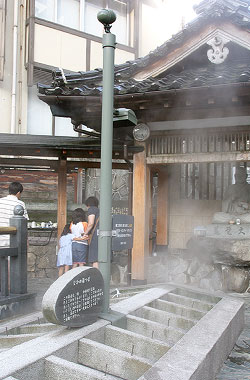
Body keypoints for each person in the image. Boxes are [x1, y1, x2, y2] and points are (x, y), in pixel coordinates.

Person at [0, 182, 29, 247]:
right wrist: (26, 240)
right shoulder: (20, 204)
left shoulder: (0, 201)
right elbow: (24, 224)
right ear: (18, 193)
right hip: (13, 240)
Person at [84, 196, 99, 268]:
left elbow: (91, 223)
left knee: (95, 258)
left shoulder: (92, 210)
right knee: (101, 258)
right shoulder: (99, 210)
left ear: (88, 204)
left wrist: (85, 233)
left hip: (95, 237)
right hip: (101, 236)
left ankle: (96, 278)